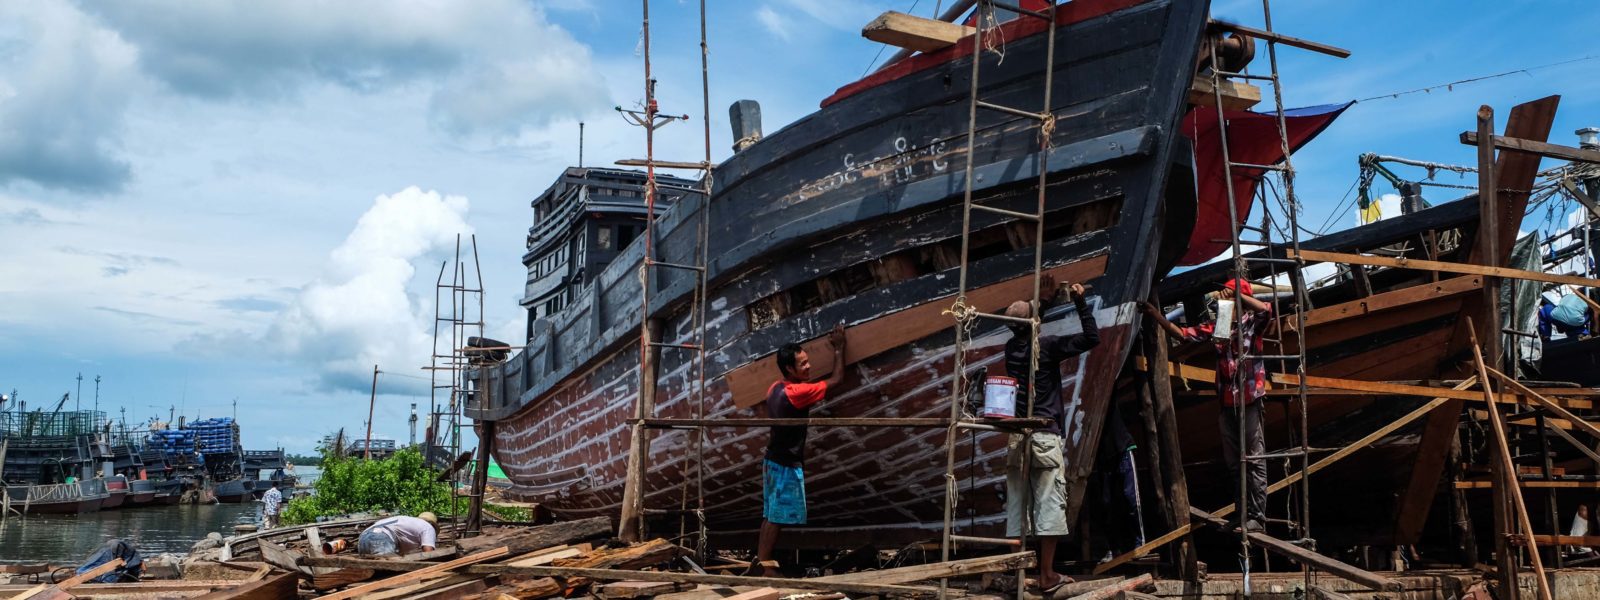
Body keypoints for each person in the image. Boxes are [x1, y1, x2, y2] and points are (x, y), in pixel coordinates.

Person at [1143, 278, 1272, 533]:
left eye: (1228, 298)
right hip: (1227, 403)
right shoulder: (1222, 325)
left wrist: (1237, 296)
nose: (1222, 301)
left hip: (1249, 401)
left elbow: (1265, 310)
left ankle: (1258, 515)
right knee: (1235, 461)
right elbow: (1184, 334)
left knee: (1254, 459)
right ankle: (1242, 512)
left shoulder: (1251, 325)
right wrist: (1155, 315)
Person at [1002, 278, 1098, 593]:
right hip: (1044, 435)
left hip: (1018, 436)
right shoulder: (1048, 346)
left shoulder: (1011, 348)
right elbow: (1091, 337)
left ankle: (1016, 573)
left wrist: (1043, 300)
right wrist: (1080, 302)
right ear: (1033, 324)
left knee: (1018, 506)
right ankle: (1046, 575)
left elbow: (1028, 322)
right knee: (1049, 506)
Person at [756, 324, 847, 577]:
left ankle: (763, 563)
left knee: (771, 514)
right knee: (777, 516)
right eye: (803, 364)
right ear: (789, 369)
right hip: (784, 462)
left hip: (772, 459)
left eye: (808, 362)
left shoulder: (775, 388)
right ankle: (766, 568)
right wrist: (839, 348)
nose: (808, 367)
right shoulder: (798, 392)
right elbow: (838, 379)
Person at [358, 512, 439, 557]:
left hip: (363, 537)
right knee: (389, 570)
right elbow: (428, 554)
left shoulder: (407, 521)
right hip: (381, 537)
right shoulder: (428, 527)